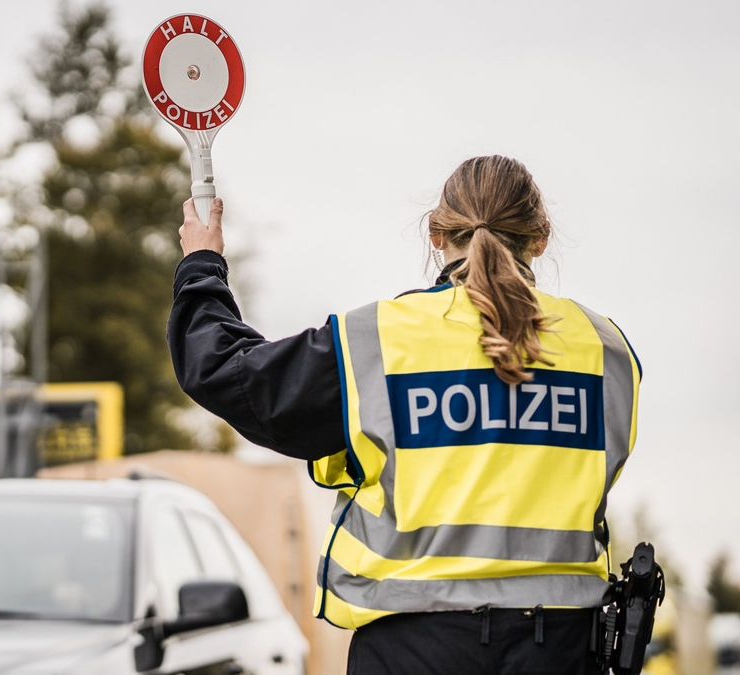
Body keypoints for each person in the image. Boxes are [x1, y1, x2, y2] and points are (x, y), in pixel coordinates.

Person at [167, 155, 640, 675]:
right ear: (541, 237)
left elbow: (226, 372)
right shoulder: (607, 350)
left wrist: (202, 264)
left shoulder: (376, 342)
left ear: (437, 234)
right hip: (561, 650)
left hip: (412, 649)